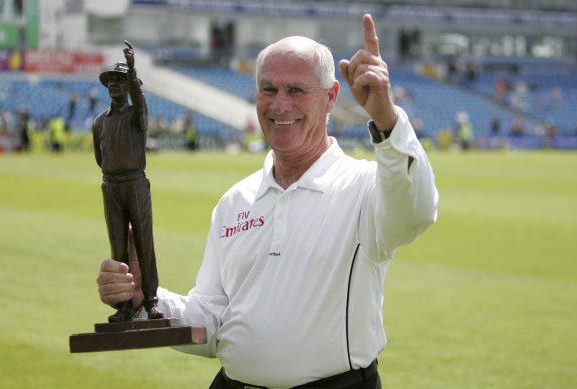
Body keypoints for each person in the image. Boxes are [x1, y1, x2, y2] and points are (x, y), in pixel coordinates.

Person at [97, 15, 438, 388]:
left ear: (330, 97)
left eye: (295, 90)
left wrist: (386, 118)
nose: (279, 105)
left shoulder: (363, 187)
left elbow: (416, 211)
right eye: (268, 89)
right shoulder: (235, 201)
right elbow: (212, 320)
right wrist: (147, 297)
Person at [92, 40, 163, 322]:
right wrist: (113, 174)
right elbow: (100, 157)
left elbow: (139, 97)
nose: (113, 85)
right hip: (111, 185)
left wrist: (132, 68)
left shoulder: (136, 114)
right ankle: (124, 306)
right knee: (118, 246)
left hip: (135, 183)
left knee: (144, 243)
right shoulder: (100, 121)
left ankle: (151, 300)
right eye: (111, 80)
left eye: (119, 80)